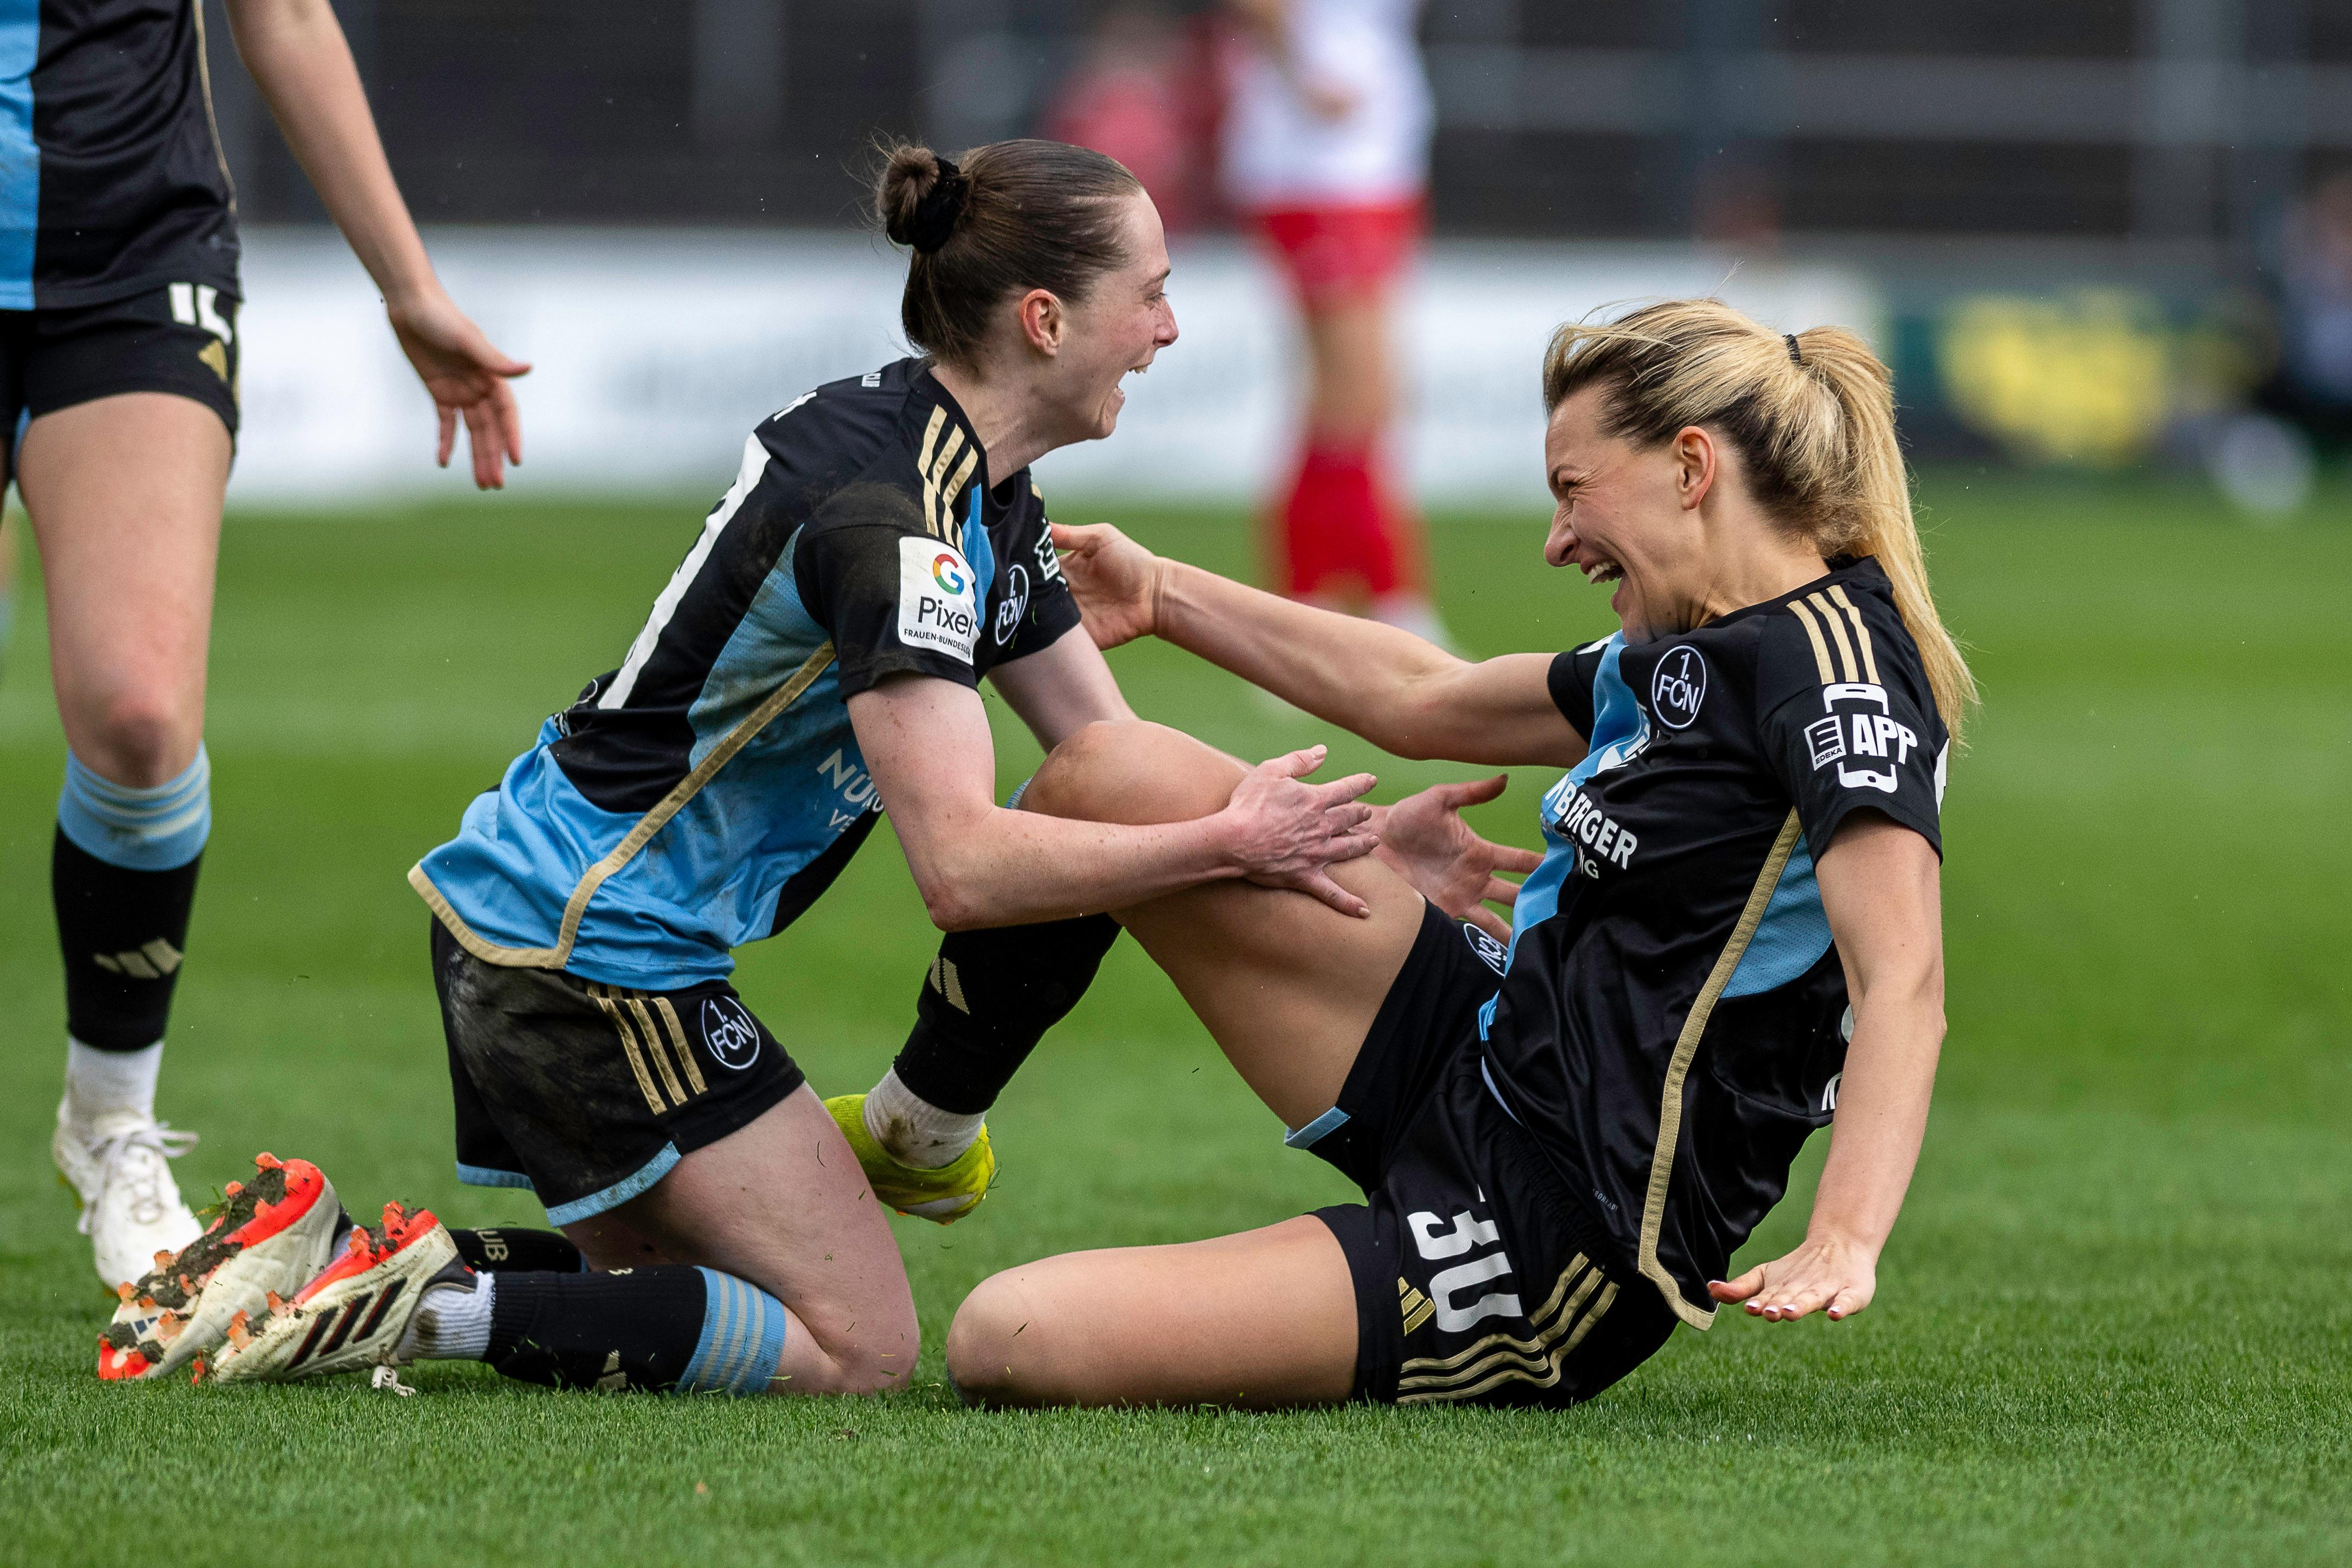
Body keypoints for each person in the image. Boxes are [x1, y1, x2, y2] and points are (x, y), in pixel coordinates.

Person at [112, 139, 1505, 1396]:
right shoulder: (895, 524)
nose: (1168, 324)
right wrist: (1228, 847)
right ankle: (430, 1304)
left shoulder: (963, 475)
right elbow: (964, 866)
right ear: (1044, 320)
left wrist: (1364, 848)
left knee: (677, 1306)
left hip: (544, 918)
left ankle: (329, 1252)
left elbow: (1108, 760)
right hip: (593, 955)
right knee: (853, 1344)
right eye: (1147, 289)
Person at [935, 300, 1972, 1409]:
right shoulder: (1695, 641)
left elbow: (1901, 977)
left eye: (1574, 490)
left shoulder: (1834, 674)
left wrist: (1847, 1235)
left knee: (1010, 1334)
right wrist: (1160, 594)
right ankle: (922, 1123)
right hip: (1479, 1044)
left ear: (1690, 467)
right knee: (1110, 775)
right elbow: (1421, 696)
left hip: (1554, 1225)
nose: (1557, 538)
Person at [36, 0, 528, 1290]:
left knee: (142, 714)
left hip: (132, 262)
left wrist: (407, 285)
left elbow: (286, 14)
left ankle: (111, 1115)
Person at [1223, 0, 1449, 645]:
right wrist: (1305, 76)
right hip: (1317, 165)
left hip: (1378, 162)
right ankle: (1382, 595)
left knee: (1354, 396)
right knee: (1357, 391)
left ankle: (1309, 605)